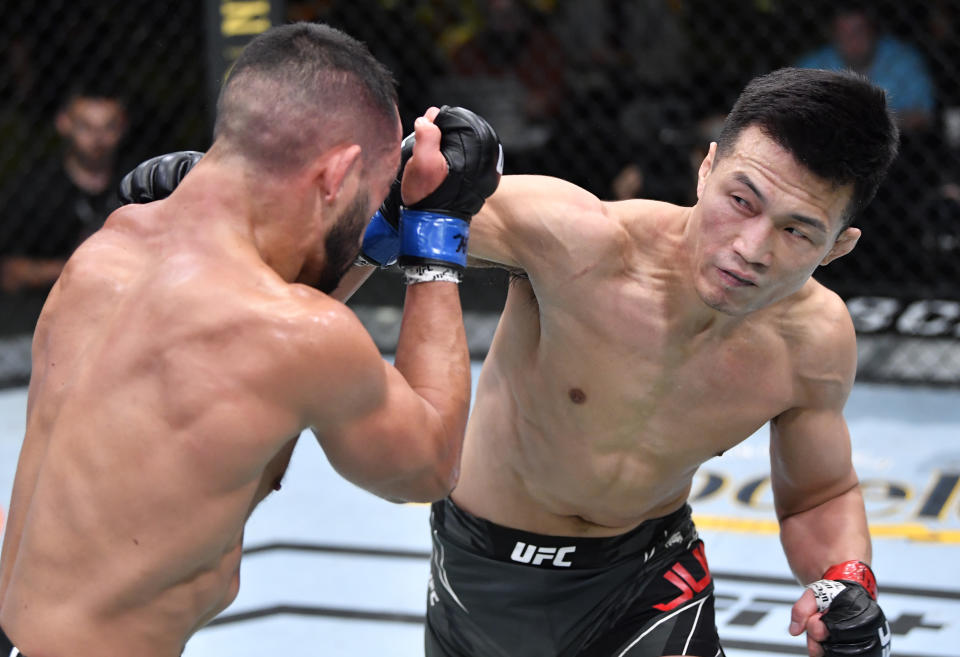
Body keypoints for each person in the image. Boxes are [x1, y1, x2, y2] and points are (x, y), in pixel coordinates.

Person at [118, 67, 897, 657]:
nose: (751, 249)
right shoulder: (580, 240)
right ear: (706, 167)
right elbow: (385, 219)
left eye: (799, 231)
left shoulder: (813, 342)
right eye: (742, 199)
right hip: (481, 570)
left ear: (841, 246)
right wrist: (223, 196)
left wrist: (846, 577)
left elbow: (817, 493)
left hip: (650, 578)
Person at [0, 22, 502, 657]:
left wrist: (377, 234)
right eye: (366, 199)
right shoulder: (293, 335)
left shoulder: (110, 250)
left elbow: (265, 338)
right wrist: (435, 230)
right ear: (335, 176)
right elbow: (427, 466)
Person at [0, 84, 128, 331]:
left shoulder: (137, 184)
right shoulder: (32, 189)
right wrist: (82, 266)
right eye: (86, 127)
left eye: (108, 127)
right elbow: (8, 273)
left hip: (124, 314)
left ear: (122, 126)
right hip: (44, 320)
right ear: (63, 123)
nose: (97, 138)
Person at [795, 1, 934, 134]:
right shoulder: (813, 66)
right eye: (843, 33)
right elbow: (797, 118)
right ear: (833, 36)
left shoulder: (904, 59)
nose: (853, 40)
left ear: (874, 31)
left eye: (859, 30)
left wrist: (857, 125)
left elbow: (923, 117)